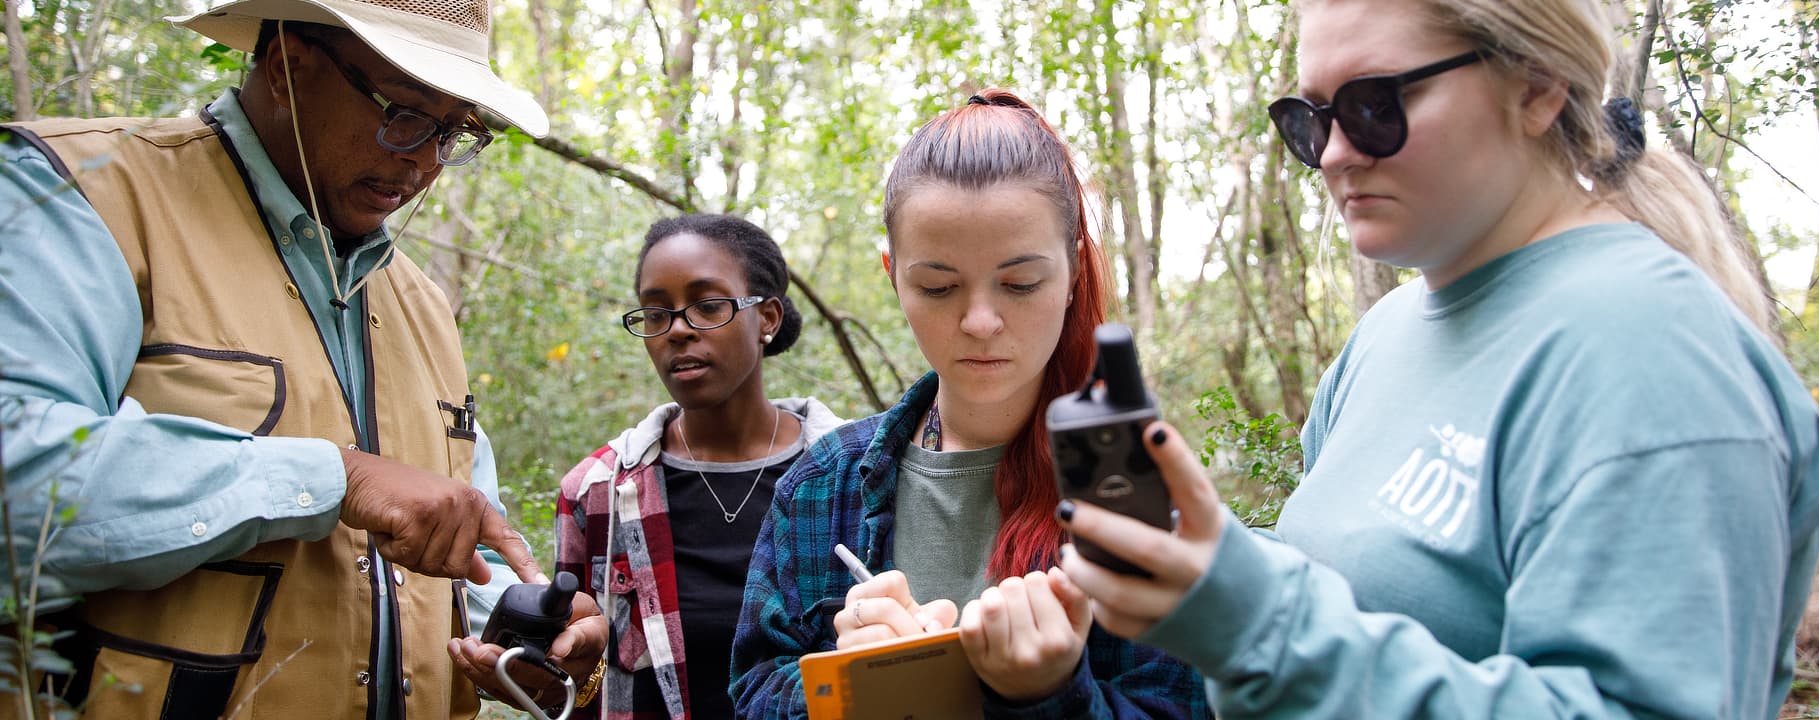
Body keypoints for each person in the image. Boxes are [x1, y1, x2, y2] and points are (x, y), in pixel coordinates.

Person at [1053, 0, 1819, 718]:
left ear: (1537, 87)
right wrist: (1198, 555)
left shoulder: (1654, 356)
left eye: (1373, 104)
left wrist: (1259, 622)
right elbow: (1339, 604)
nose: (1331, 154)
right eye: (1311, 118)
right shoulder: (1386, 335)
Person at [0, 0, 606, 716]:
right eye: (405, 114)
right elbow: (19, 482)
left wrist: (528, 637)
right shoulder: (80, 193)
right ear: (290, 67)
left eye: (453, 133)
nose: (422, 161)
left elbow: (459, 559)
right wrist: (334, 477)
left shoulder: (421, 306)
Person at [730, 89, 1209, 718]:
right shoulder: (823, 486)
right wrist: (849, 685)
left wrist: (1051, 693)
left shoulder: (1138, 493)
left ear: (1072, 275)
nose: (981, 321)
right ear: (892, 275)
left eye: (1020, 283)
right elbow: (752, 689)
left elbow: (1186, 703)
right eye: (938, 286)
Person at [472, 213, 844, 719]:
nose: (678, 330)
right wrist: (566, 672)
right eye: (655, 314)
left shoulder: (855, 475)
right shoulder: (596, 491)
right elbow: (582, 686)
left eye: (708, 306)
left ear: (769, 319)